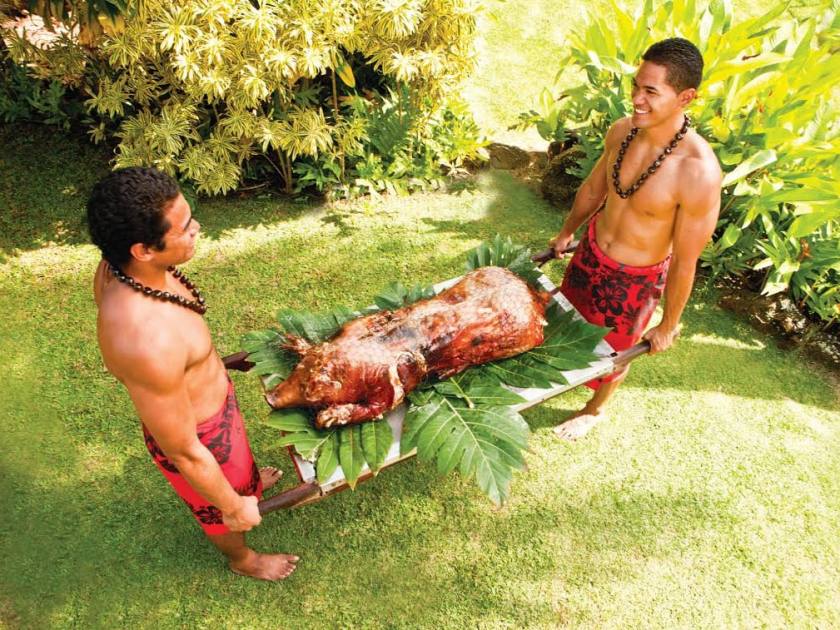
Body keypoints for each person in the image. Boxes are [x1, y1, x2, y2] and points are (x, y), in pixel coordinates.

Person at [88, 167, 299, 580]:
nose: (197, 228)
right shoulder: (147, 341)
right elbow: (185, 450)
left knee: (241, 475)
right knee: (219, 511)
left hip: (215, 410)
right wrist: (233, 506)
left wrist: (217, 365)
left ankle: (249, 485)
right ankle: (243, 560)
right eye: (184, 228)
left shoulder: (119, 264)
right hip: (200, 439)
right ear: (144, 250)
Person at [550, 38, 722, 440]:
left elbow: (684, 260)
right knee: (558, 324)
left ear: (686, 97)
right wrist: (566, 233)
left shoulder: (698, 173)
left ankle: (594, 411)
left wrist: (669, 324)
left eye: (650, 92)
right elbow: (594, 190)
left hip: (633, 281)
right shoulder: (622, 131)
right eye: (635, 87)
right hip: (590, 253)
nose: (637, 99)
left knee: (610, 356)